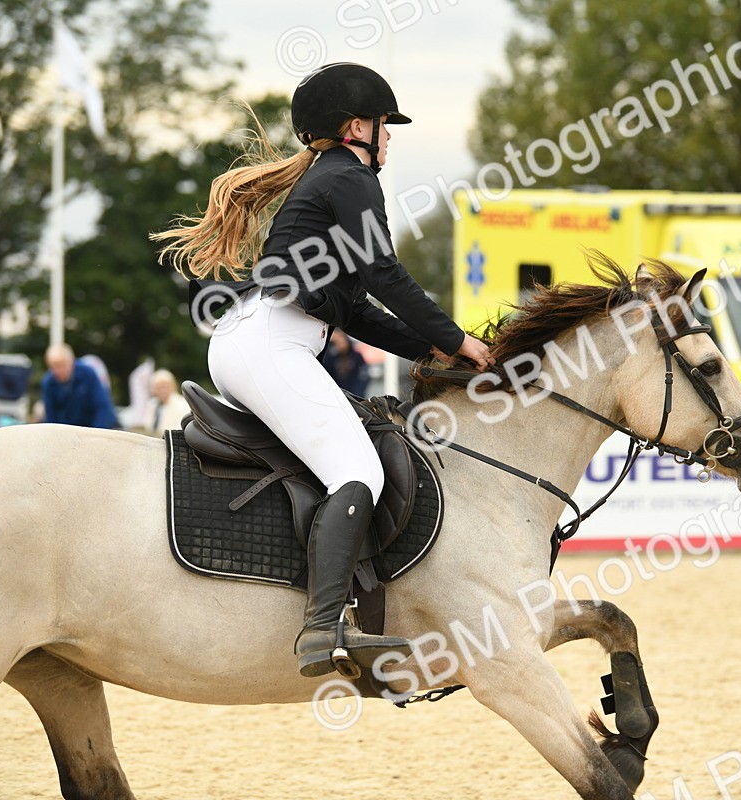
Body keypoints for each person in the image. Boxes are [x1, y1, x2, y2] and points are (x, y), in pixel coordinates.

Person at [152, 62, 493, 678]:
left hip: (255, 338)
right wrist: (455, 337)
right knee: (358, 468)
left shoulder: (327, 179)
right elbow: (386, 273)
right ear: (356, 126)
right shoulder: (350, 177)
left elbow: (357, 310)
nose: (389, 137)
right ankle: (323, 628)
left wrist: (430, 350)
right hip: (270, 344)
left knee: (337, 460)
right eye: (385, 125)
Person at [41, 343, 120, 429]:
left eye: (62, 365)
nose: (58, 370)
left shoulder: (88, 373)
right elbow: (51, 418)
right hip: (70, 431)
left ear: (72, 361)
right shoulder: (48, 383)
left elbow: (103, 408)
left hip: (94, 427)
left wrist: (94, 435)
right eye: (54, 367)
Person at [322, 329, 370, 397]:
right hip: (338, 396)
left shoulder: (357, 357)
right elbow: (326, 370)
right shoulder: (332, 357)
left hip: (356, 397)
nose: (341, 345)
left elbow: (362, 379)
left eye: (342, 341)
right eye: (337, 343)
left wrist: (355, 396)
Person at [143, 369, 192, 434]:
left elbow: (181, 429)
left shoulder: (183, 404)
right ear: (153, 389)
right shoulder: (151, 404)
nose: (162, 390)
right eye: (159, 387)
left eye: (165, 386)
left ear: (173, 386)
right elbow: (146, 426)